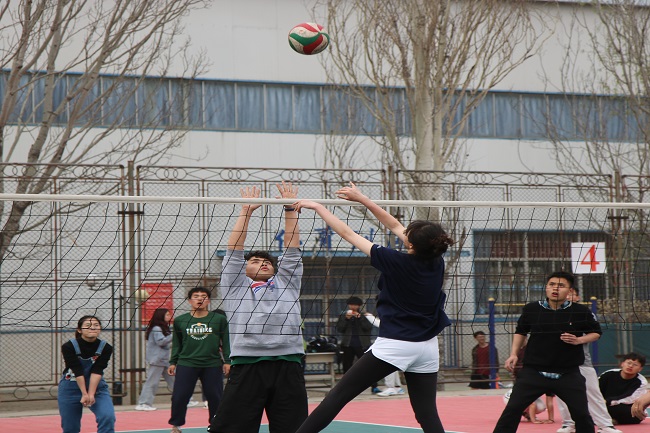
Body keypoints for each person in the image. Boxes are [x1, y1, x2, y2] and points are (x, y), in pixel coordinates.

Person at [292, 181, 453, 433]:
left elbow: (348, 234)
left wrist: (318, 207)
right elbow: (395, 225)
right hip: (427, 348)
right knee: (426, 413)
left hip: (396, 344)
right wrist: (362, 198)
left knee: (337, 396)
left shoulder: (394, 260)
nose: (403, 232)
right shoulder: (436, 260)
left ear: (411, 244)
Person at [208, 182, 308, 433]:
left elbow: (292, 249)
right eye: (255, 261)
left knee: (294, 429)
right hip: (247, 364)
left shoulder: (287, 282)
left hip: (288, 363)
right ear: (244, 268)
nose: (262, 263)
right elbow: (233, 252)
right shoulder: (235, 286)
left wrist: (289, 209)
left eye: (267, 261)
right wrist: (246, 212)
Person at [492, 270, 602, 433]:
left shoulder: (580, 311)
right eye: (552, 284)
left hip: (568, 374)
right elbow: (521, 332)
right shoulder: (532, 309)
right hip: (534, 372)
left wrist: (579, 340)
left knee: (582, 415)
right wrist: (513, 354)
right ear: (546, 287)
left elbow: (596, 333)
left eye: (561, 285)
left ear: (569, 290)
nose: (555, 288)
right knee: (512, 409)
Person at [555, 287, 622, 433]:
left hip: (582, 360)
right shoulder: (551, 313)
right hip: (558, 362)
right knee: (562, 394)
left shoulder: (584, 313)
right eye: (566, 294)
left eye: (572, 294)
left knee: (593, 393)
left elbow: (595, 333)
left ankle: (605, 425)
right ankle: (569, 424)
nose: (568, 296)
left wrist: (578, 340)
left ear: (577, 297)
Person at [168, 287, 230, 433]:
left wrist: (228, 361)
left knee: (215, 397)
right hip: (186, 363)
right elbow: (177, 343)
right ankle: (176, 425)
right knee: (180, 396)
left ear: (208, 300)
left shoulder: (219, 319)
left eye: (204, 296)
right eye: (196, 296)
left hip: (212, 363)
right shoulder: (180, 320)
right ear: (190, 300)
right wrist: (173, 362)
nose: (200, 298)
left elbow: (226, 342)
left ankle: (216, 425)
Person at [58, 315, 115, 433]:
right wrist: (84, 393)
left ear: (100, 329)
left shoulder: (106, 347)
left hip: (96, 387)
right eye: (88, 326)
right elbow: (77, 369)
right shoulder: (69, 346)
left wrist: (91, 393)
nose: (92, 328)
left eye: (96, 325)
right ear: (79, 330)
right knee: (70, 428)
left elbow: (97, 370)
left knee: (107, 417)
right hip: (71, 388)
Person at [336, 296, 380, 394]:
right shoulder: (343, 316)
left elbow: (368, 328)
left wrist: (360, 318)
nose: (353, 307)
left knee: (368, 366)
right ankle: (346, 388)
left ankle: (374, 386)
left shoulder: (365, 315)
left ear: (359, 306)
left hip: (362, 344)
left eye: (355, 305)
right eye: (351, 305)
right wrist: (346, 319)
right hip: (347, 345)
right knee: (347, 367)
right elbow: (340, 329)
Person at [135, 308, 174, 411]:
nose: (169, 317)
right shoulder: (157, 328)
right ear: (161, 316)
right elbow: (161, 342)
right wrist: (174, 336)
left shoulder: (163, 328)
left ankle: (185, 400)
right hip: (157, 359)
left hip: (164, 360)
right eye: (167, 315)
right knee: (152, 382)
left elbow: (165, 345)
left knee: (174, 379)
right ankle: (144, 403)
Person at [363, 310, 405, 397]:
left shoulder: (393, 317)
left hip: (392, 345)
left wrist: (369, 316)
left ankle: (391, 387)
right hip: (397, 344)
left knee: (388, 365)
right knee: (393, 366)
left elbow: (380, 323)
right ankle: (397, 387)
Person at [598, 352, 648, 425]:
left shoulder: (641, 382)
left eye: (635, 365)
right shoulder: (608, 374)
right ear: (622, 364)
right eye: (629, 363)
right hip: (602, 404)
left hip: (624, 406)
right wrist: (599, 402)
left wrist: (608, 401)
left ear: (640, 369)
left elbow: (630, 398)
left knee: (633, 412)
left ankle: (607, 419)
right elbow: (595, 389)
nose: (630, 366)